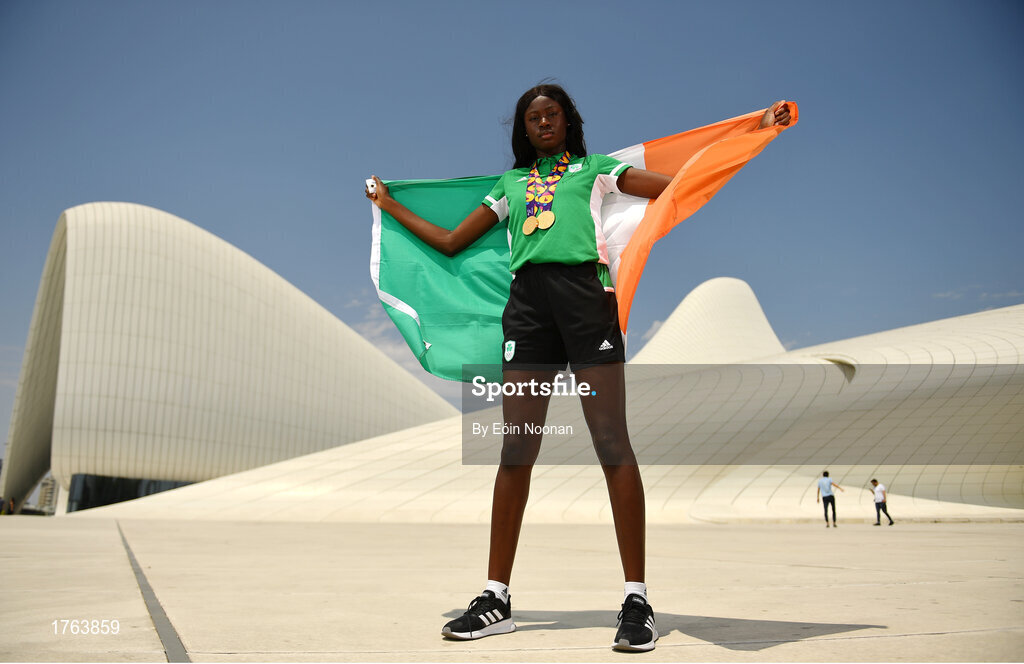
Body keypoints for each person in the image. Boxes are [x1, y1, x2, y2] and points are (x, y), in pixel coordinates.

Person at [366, 83, 791, 652]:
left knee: (612, 443)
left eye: (552, 114)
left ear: (568, 122)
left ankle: (637, 599)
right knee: (516, 449)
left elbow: (676, 189)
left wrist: (752, 131)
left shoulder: (598, 170)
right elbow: (449, 242)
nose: (543, 122)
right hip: (527, 313)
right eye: (532, 117)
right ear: (522, 130)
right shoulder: (510, 185)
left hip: (587, 301)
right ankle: (497, 598)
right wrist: (389, 204)